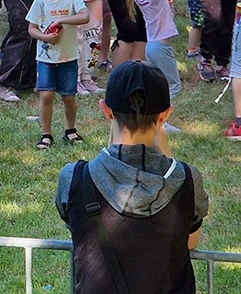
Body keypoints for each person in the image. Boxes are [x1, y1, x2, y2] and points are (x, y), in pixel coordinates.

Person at [56, 61, 209, 293]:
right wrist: (167, 154)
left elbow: (80, 232)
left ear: (105, 110)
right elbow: (190, 242)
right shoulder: (188, 180)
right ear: (165, 115)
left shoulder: (75, 178)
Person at [28, 0, 89, 149]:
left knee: (69, 97)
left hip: (69, 58)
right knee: (46, 96)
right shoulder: (40, 1)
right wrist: (46, 38)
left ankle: (70, 130)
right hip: (45, 59)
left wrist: (62, 21)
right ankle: (46, 134)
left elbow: (85, 16)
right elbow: (32, 28)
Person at [124, 0, 182, 109]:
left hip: (153, 47)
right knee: (173, 86)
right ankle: (158, 116)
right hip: (161, 49)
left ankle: (154, 114)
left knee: (159, 83)